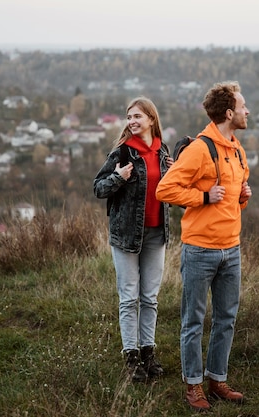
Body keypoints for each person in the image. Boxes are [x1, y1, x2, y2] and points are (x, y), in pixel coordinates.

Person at [156, 81, 252, 411]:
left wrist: (242, 197)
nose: (247, 111)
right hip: (200, 250)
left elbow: (234, 195)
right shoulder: (200, 149)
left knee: (226, 319)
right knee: (193, 321)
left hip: (232, 249)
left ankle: (217, 379)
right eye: (242, 106)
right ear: (229, 112)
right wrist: (202, 196)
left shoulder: (238, 150)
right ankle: (194, 385)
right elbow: (165, 190)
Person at [94, 96, 173, 382]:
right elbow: (98, 189)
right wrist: (118, 177)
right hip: (126, 236)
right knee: (129, 298)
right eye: (129, 117)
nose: (132, 121)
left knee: (150, 298)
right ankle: (131, 358)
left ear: (151, 119)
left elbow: (170, 192)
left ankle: (148, 354)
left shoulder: (162, 152)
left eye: (137, 116)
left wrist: (173, 172)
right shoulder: (122, 153)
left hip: (156, 234)